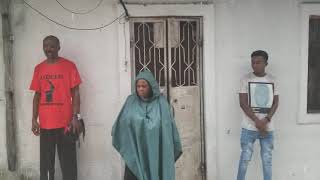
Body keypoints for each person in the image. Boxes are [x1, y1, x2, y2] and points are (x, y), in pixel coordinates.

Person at [112, 70, 182, 180]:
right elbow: (122, 124)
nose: (140, 88)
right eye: (138, 86)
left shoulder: (161, 104)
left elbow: (167, 130)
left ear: (151, 86)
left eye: (144, 86)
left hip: (156, 153)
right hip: (135, 153)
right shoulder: (131, 101)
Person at [30, 35, 82, 180]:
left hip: (66, 124)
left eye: (52, 46)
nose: (49, 49)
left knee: (69, 165)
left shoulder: (69, 66)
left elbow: (76, 93)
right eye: (45, 46)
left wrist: (76, 117)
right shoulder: (39, 69)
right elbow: (37, 96)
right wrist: (34, 119)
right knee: (46, 166)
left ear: (59, 47)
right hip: (46, 125)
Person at [236, 50, 279, 180]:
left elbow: (276, 103)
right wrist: (257, 121)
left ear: (266, 63)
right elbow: (243, 103)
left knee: (267, 161)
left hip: (267, 128)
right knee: (244, 160)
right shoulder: (245, 79)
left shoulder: (273, 80)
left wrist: (265, 120)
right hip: (249, 128)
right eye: (253, 62)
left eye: (258, 62)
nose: (255, 65)